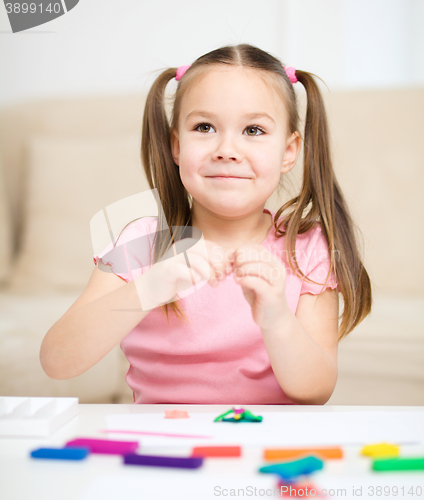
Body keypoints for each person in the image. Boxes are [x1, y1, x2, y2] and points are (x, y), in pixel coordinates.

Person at [40, 44, 372, 405]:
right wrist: (151, 285)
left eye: (254, 130)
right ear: (176, 145)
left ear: (289, 152)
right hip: (164, 445)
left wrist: (276, 316)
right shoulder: (142, 244)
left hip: (266, 446)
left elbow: (317, 390)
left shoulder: (307, 249)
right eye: (204, 127)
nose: (227, 149)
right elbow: (58, 361)